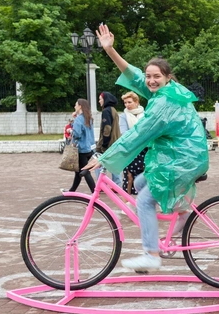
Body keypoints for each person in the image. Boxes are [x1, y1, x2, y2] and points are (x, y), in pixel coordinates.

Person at [84, 24, 209, 272]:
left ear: (167, 78)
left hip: (182, 160)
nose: (150, 81)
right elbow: (133, 75)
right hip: (181, 156)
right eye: (149, 76)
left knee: (142, 201)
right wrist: (110, 50)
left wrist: (105, 157)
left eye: (156, 77)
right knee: (141, 183)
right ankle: (182, 211)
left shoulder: (164, 103)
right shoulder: (166, 91)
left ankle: (151, 254)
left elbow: (139, 135)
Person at [63, 99, 96, 194]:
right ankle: (72, 190)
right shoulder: (88, 118)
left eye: (76, 105)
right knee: (78, 171)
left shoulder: (79, 119)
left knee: (85, 171)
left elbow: (77, 134)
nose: (74, 107)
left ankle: (94, 191)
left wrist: (70, 131)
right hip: (89, 148)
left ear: (80, 106)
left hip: (81, 149)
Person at [118, 91, 147, 195]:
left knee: (145, 177)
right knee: (128, 177)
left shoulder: (145, 115)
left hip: (145, 150)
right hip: (130, 150)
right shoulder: (123, 116)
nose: (127, 105)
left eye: (129, 102)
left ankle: (143, 202)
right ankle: (125, 205)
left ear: (136, 102)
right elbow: (125, 133)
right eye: (125, 103)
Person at [95, 91, 122, 185]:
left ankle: (101, 184)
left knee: (98, 161)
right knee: (114, 163)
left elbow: (107, 128)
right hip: (115, 141)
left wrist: (104, 144)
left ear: (105, 99)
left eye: (100, 99)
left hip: (109, 143)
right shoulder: (113, 110)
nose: (99, 101)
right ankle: (117, 184)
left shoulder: (106, 111)